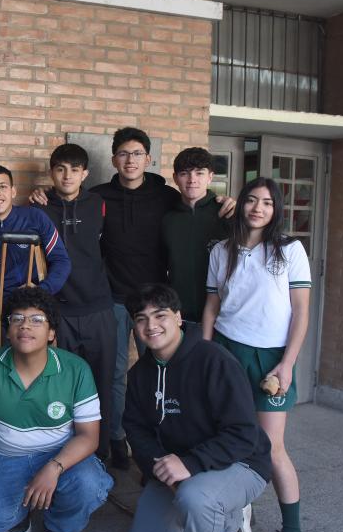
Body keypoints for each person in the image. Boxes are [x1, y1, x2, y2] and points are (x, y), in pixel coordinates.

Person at [31, 128, 233, 470]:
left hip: (154, 301)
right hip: (111, 297)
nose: (130, 160)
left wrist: (225, 200)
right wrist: (42, 194)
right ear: (113, 160)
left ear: (148, 159)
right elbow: (70, 204)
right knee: (115, 374)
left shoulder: (165, 194)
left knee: (166, 370)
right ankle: (115, 437)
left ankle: (164, 436)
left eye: (137, 154)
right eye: (123, 154)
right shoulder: (98, 196)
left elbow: (193, 203)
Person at [123, 284, 271, 532]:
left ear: (178, 317)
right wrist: (159, 468)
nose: (151, 326)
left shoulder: (214, 361)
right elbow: (136, 429)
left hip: (241, 461)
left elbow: (243, 433)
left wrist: (189, 465)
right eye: (141, 319)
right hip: (179, 466)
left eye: (160, 315)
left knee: (196, 498)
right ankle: (218, 519)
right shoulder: (140, 375)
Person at [0, 288, 113, 532]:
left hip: (60, 455)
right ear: (8, 330)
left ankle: (57, 528)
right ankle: (23, 505)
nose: (25, 325)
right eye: (17, 319)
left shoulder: (76, 369)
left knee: (89, 484)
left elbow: (89, 437)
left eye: (37, 320)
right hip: (2, 456)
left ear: (51, 333)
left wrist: (53, 467)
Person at [202, 177, 311, 532]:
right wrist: (206, 353)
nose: (257, 208)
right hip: (228, 351)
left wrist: (287, 362)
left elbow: (301, 311)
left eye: (266, 202)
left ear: (275, 208)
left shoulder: (290, 250)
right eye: (251, 200)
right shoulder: (222, 251)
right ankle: (236, 521)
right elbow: (212, 308)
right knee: (229, 437)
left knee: (272, 446)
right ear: (242, 204)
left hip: (271, 359)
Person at [32, 143, 117, 461]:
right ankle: (62, 456)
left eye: (74, 169)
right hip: (59, 312)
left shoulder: (99, 203)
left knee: (101, 386)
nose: (67, 176)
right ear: (52, 172)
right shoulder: (39, 207)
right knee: (59, 387)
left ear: (85, 173)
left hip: (98, 308)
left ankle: (102, 456)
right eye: (60, 169)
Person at [0, 163, 71, 348]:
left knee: (39, 370)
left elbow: (61, 261)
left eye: (2, 186)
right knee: (2, 371)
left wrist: (42, 290)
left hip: (36, 313)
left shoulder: (35, 217)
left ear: (13, 191)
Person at [161, 147, 229, 322]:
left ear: (210, 177)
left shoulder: (227, 213)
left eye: (199, 173)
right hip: (177, 313)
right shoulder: (167, 218)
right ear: (175, 178)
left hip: (221, 314)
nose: (192, 180)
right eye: (185, 174)